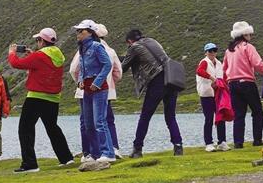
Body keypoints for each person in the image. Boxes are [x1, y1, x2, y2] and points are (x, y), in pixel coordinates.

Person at [8, 27, 74, 173]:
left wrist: (12, 53)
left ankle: (30, 164)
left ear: (42, 41)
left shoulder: (39, 56)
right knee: (52, 127)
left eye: (38, 40)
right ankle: (66, 158)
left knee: (25, 129)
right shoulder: (58, 55)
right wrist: (33, 55)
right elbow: (43, 65)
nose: (37, 42)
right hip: (53, 98)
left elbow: (16, 63)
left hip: (36, 97)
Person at [121, 29, 184, 158]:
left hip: (157, 81)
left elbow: (123, 67)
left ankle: (137, 149)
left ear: (129, 41)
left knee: (145, 116)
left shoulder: (134, 47)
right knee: (170, 116)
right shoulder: (152, 41)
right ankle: (178, 146)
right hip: (170, 78)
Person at [69, 23, 123, 162]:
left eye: (81, 31)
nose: (78, 34)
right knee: (88, 124)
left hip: (99, 88)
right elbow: (82, 68)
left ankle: (108, 153)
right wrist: (80, 80)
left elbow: (107, 64)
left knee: (99, 121)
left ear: (89, 32)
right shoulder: (82, 48)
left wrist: (97, 81)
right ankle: (95, 154)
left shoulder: (97, 46)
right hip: (87, 88)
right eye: (77, 31)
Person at [222, 21, 263, 149]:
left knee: (239, 114)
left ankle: (238, 142)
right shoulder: (248, 47)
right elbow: (257, 64)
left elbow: (224, 68)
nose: (251, 36)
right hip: (247, 82)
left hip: (233, 84)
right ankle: (257, 140)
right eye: (249, 34)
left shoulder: (228, 50)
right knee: (257, 111)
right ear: (245, 34)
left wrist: (227, 82)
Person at [196, 42, 229, 152]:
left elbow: (223, 76)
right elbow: (199, 71)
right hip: (206, 94)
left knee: (220, 117)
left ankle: (222, 141)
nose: (212, 53)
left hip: (218, 94)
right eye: (210, 51)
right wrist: (211, 77)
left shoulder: (219, 63)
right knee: (209, 118)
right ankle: (209, 143)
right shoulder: (204, 62)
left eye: (214, 50)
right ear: (206, 52)